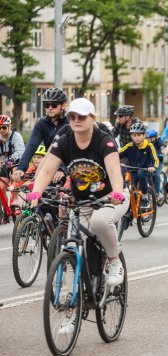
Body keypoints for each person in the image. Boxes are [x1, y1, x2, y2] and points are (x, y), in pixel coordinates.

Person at [28, 97, 128, 298]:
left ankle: (115, 260)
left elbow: (114, 170)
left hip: (110, 197)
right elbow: (47, 171)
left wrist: (117, 192)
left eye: (81, 116)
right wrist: (36, 191)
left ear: (92, 118)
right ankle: (73, 301)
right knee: (73, 247)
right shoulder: (64, 141)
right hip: (82, 202)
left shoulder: (104, 141)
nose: (76, 120)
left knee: (100, 221)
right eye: (72, 116)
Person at [14, 88, 68, 182]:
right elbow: (31, 146)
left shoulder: (70, 122)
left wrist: (64, 170)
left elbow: (74, 150)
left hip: (70, 166)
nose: (50, 108)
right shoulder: (42, 123)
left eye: (54, 105)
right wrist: (21, 168)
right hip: (51, 165)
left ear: (63, 106)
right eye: (47, 105)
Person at [118, 122, 158, 209]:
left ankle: (144, 196)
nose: (136, 137)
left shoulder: (149, 146)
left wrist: (153, 167)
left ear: (144, 135)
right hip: (133, 170)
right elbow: (117, 154)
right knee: (128, 184)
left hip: (146, 170)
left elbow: (155, 159)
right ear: (131, 136)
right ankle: (130, 207)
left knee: (140, 173)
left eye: (139, 135)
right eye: (134, 135)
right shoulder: (129, 146)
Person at [0, 115, 26, 208]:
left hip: (17, 163)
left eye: (4, 127)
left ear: (9, 126)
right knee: (1, 188)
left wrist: (12, 159)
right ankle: (5, 211)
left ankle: (15, 201)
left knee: (14, 178)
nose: (1, 130)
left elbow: (20, 151)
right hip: (5, 165)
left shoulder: (16, 136)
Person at [146, 129, 164, 201]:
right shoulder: (146, 143)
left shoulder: (158, 141)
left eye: (150, 138)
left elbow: (162, 146)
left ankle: (157, 193)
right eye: (147, 138)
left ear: (154, 137)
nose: (148, 139)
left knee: (156, 175)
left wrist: (163, 150)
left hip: (159, 161)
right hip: (150, 161)